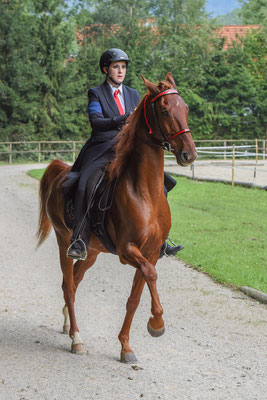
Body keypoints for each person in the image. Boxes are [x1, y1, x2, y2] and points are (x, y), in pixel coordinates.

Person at [62, 48, 183, 260]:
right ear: (105, 69)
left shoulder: (133, 94)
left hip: (127, 148)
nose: (120, 71)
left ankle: (161, 238)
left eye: (123, 67)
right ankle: (80, 239)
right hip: (101, 147)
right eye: (116, 67)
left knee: (161, 183)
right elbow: (96, 122)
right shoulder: (96, 93)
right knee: (85, 183)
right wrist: (121, 119)